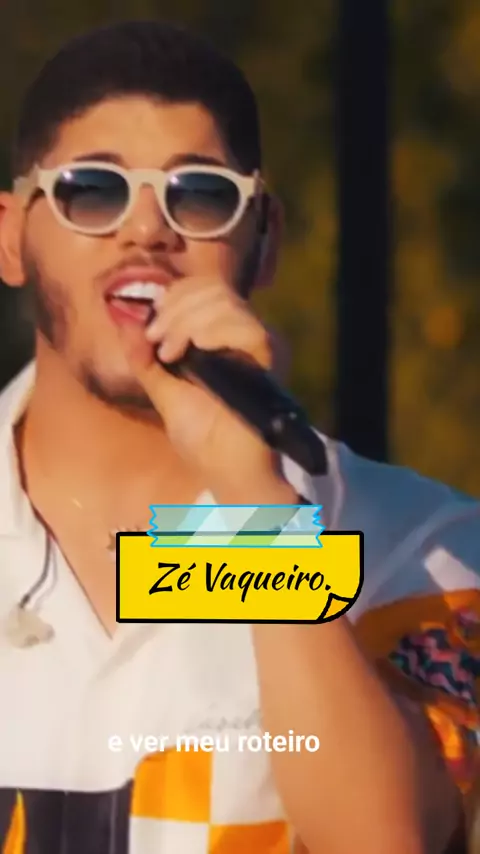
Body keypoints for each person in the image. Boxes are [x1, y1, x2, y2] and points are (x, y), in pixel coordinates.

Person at [0, 20, 478, 854]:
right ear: (11, 238)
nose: (146, 230)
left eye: (200, 194)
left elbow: (385, 842)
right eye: (93, 190)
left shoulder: (422, 546)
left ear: (265, 243)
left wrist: (254, 500)